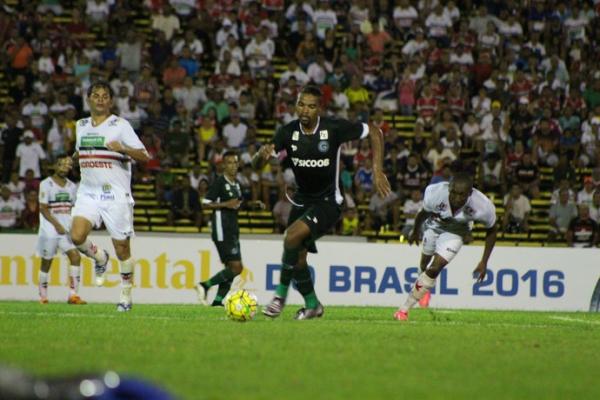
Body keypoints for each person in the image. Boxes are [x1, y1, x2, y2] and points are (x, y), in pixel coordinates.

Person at [252, 85, 390, 320]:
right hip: (302, 199)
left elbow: (375, 132)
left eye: (311, 106)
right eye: (301, 104)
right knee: (297, 258)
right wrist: (260, 157)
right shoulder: (287, 132)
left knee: (292, 237)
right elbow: (256, 166)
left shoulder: (333, 128)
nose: (305, 110)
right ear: (296, 106)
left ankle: (279, 296)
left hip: (328, 201)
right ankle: (313, 305)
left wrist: (377, 170)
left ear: (319, 109)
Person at [70, 81, 150, 312]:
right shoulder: (81, 125)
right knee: (76, 236)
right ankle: (100, 257)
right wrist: (71, 159)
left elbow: (145, 156)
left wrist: (123, 149)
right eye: (96, 95)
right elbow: (81, 151)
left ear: (111, 101)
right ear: (88, 99)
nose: (100, 99)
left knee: (123, 250)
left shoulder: (121, 125)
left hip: (115, 195)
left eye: (105, 96)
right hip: (88, 192)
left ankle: (126, 297)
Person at [396, 173, 497, 321]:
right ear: (449, 188)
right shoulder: (435, 193)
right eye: (453, 193)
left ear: (470, 193)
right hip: (435, 225)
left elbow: (492, 230)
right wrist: (416, 231)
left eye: (461, 195)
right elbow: (423, 213)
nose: (456, 198)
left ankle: (403, 310)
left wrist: (484, 261)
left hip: (456, 232)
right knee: (424, 264)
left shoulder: (483, 206)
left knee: (435, 267)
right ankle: (425, 288)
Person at [195, 151, 262, 306]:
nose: (233, 166)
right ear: (223, 165)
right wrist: (225, 204)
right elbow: (204, 203)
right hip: (221, 229)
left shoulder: (236, 183)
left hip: (232, 228)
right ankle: (204, 285)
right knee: (237, 268)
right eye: (230, 162)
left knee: (230, 268)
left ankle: (218, 301)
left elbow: (237, 203)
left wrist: (253, 204)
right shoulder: (219, 182)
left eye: (235, 162)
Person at [37, 155, 86, 305]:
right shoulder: (46, 184)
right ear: (55, 166)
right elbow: (43, 209)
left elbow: (73, 208)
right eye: (62, 165)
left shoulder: (72, 186)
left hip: (66, 230)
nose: (65, 168)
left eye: (67, 166)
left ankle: (73, 295)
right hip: (49, 231)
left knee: (76, 257)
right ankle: (43, 297)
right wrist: (56, 224)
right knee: (46, 262)